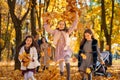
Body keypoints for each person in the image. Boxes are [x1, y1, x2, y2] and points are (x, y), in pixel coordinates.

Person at [43, 12, 78, 80]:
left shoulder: (67, 31)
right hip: (59, 49)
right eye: (60, 24)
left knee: (67, 59)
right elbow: (48, 30)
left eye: (63, 24)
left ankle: (68, 77)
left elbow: (73, 26)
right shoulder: (56, 31)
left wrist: (76, 17)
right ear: (58, 25)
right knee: (61, 64)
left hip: (66, 48)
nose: (61, 25)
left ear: (65, 25)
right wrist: (45, 22)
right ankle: (62, 73)